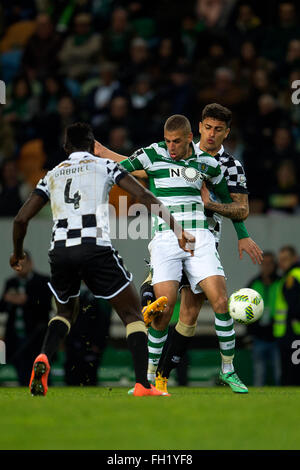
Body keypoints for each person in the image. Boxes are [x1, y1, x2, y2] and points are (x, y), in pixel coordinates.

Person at [10, 122, 194, 397]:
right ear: (92, 144)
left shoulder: (52, 175)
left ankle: (45, 357)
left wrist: (18, 252)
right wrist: (177, 228)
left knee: (63, 313)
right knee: (132, 314)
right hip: (94, 247)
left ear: (66, 147)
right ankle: (143, 385)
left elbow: (21, 218)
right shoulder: (103, 166)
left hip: (60, 251)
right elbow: (142, 194)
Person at [94, 112, 263, 394]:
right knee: (164, 306)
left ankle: (228, 370)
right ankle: (147, 379)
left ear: (189, 140)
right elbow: (123, 168)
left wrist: (239, 231)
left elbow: (237, 205)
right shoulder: (152, 154)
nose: (171, 147)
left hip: (202, 238)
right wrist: (100, 156)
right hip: (166, 238)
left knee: (220, 300)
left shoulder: (209, 164)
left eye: (176, 142)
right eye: (167, 142)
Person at [0, 251, 52, 385]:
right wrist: (9, 299)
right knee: (21, 372)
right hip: (16, 337)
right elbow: (3, 307)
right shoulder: (11, 282)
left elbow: (46, 305)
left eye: (22, 265)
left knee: (40, 371)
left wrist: (25, 300)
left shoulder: (43, 281)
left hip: (36, 337)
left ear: (30, 263)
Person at [247, 252, 281, 386]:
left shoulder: (282, 282)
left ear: (275, 265)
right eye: (264, 264)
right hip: (258, 337)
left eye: (269, 264)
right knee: (259, 372)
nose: (266, 267)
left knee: (279, 372)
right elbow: (245, 311)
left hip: (277, 335)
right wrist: (249, 334)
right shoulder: (253, 284)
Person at [274, 245, 300, 385]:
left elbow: (295, 306)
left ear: (295, 259)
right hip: (290, 331)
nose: (281, 263)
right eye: (280, 260)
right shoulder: (290, 276)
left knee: (292, 370)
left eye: (285, 259)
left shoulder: (292, 277)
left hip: (293, 332)